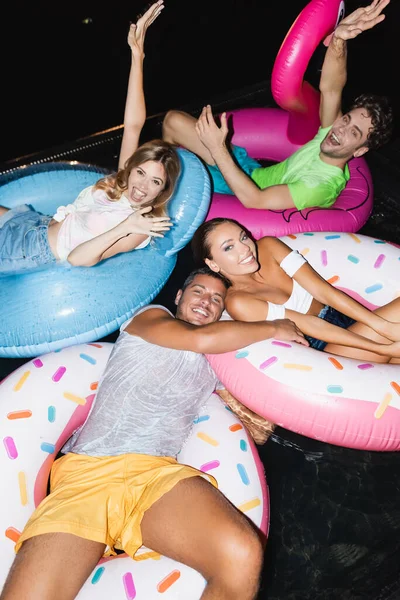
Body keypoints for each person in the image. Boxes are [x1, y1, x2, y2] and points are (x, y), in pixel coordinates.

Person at [0, 267, 308, 600]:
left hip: (155, 476)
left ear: (223, 312)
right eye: (198, 292)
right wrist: (275, 327)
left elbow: (260, 432)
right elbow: (199, 338)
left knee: (241, 553)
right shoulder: (150, 318)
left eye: (216, 299)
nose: (206, 302)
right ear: (179, 296)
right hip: (88, 473)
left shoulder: (216, 364)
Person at [0, 1, 179, 274]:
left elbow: (77, 258)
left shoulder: (141, 227)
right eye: (141, 172)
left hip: (29, 252)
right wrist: (137, 55)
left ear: (162, 191)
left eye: (155, 181)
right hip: (35, 224)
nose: (142, 185)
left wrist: (127, 227)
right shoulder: (123, 185)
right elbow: (133, 124)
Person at [162, 0, 393, 211]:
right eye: (346, 119)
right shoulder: (331, 135)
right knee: (172, 121)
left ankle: (157, 193)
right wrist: (339, 39)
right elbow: (332, 88)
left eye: (354, 132)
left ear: (360, 150)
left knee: (172, 156)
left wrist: (217, 148)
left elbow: (256, 200)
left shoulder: (320, 185)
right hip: (251, 169)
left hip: (242, 187)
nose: (341, 128)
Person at [191, 218, 400, 364]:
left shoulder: (268, 247)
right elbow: (311, 324)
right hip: (326, 347)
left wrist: (381, 325)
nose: (245, 248)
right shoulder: (239, 302)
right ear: (213, 264)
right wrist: (380, 347)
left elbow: (323, 291)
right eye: (229, 248)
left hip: (343, 319)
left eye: (243, 237)